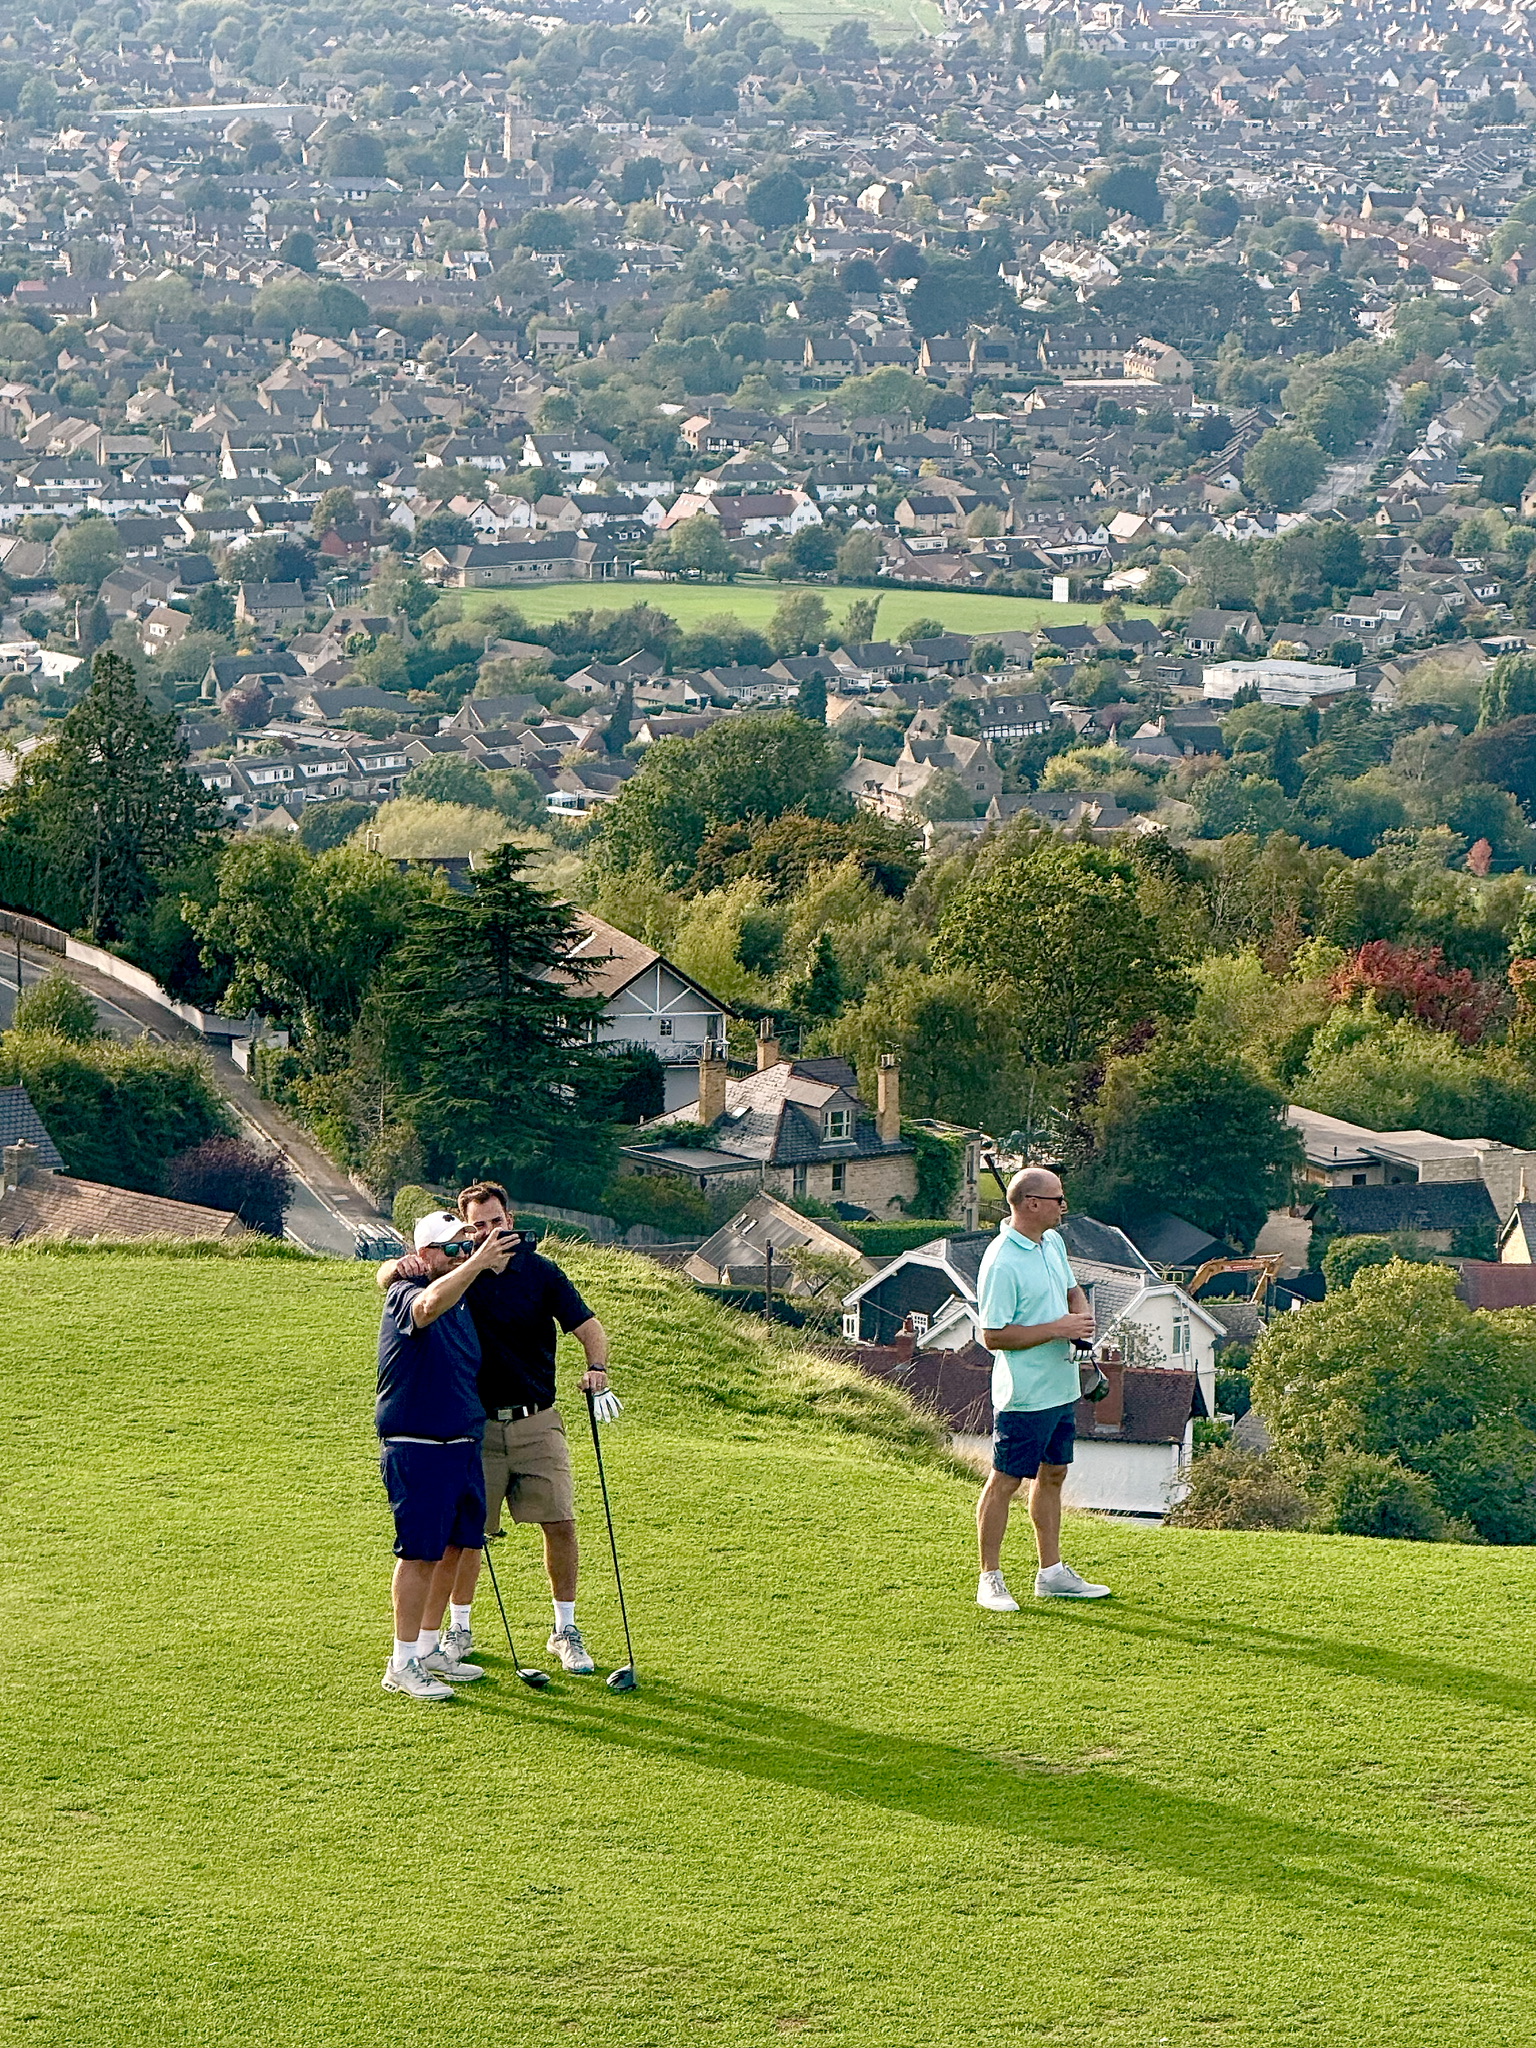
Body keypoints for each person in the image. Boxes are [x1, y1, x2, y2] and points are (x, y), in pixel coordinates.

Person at [379, 1182, 614, 1675]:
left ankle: (564, 1630)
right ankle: (455, 1631)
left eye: (495, 1222)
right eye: (476, 1227)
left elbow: (588, 1326)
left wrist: (598, 1368)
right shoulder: (463, 1270)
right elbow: (411, 1288)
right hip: (475, 1425)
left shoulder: (541, 1272)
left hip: (537, 1419)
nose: (487, 1234)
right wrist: (391, 1268)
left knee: (561, 1522)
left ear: (510, 1219)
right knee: (464, 1538)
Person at [376, 1209, 516, 1701]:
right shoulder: (408, 1293)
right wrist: (469, 1264)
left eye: (466, 1245)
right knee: (419, 1554)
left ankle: (430, 1647)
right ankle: (402, 1660)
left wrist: (473, 1264)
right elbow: (425, 1306)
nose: (464, 1252)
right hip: (418, 1445)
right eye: (453, 1248)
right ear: (426, 1255)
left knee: (458, 1547)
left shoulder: (460, 1297)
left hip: (462, 1443)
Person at [974, 1167, 1111, 1611]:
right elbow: (993, 1336)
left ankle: (1050, 1573)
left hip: (1061, 1385)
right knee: (1006, 1481)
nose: (1063, 1207)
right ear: (1032, 1203)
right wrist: (1059, 1329)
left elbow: (1073, 1291)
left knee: (1054, 1474)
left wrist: (1081, 1321)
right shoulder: (1001, 1261)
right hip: (1024, 1393)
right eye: (1058, 1199)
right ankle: (989, 1579)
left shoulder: (1052, 1242)